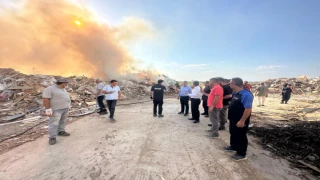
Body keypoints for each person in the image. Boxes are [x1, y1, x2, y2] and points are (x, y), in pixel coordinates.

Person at [224, 77, 253, 161]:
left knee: (241, 135)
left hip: (241, 119)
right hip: (233, 118)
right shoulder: (235, 93)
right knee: (233, 132)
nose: (229, 85)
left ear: (234, 84)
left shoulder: (246, 94)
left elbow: (248, 109)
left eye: (230, 83)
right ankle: (233, 146)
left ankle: (241, 153)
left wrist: (242, 121)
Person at [43, 78, 71, 145]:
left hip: (65, 109)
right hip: (56, 110)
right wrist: (48, 109)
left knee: (62, 121)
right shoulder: (50, 89)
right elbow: (46, 99)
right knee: (54, 124)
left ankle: (61, 131)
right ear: (63, 83)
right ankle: (52, 137)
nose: (67, 85)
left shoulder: (63, 89)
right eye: (66, 83)